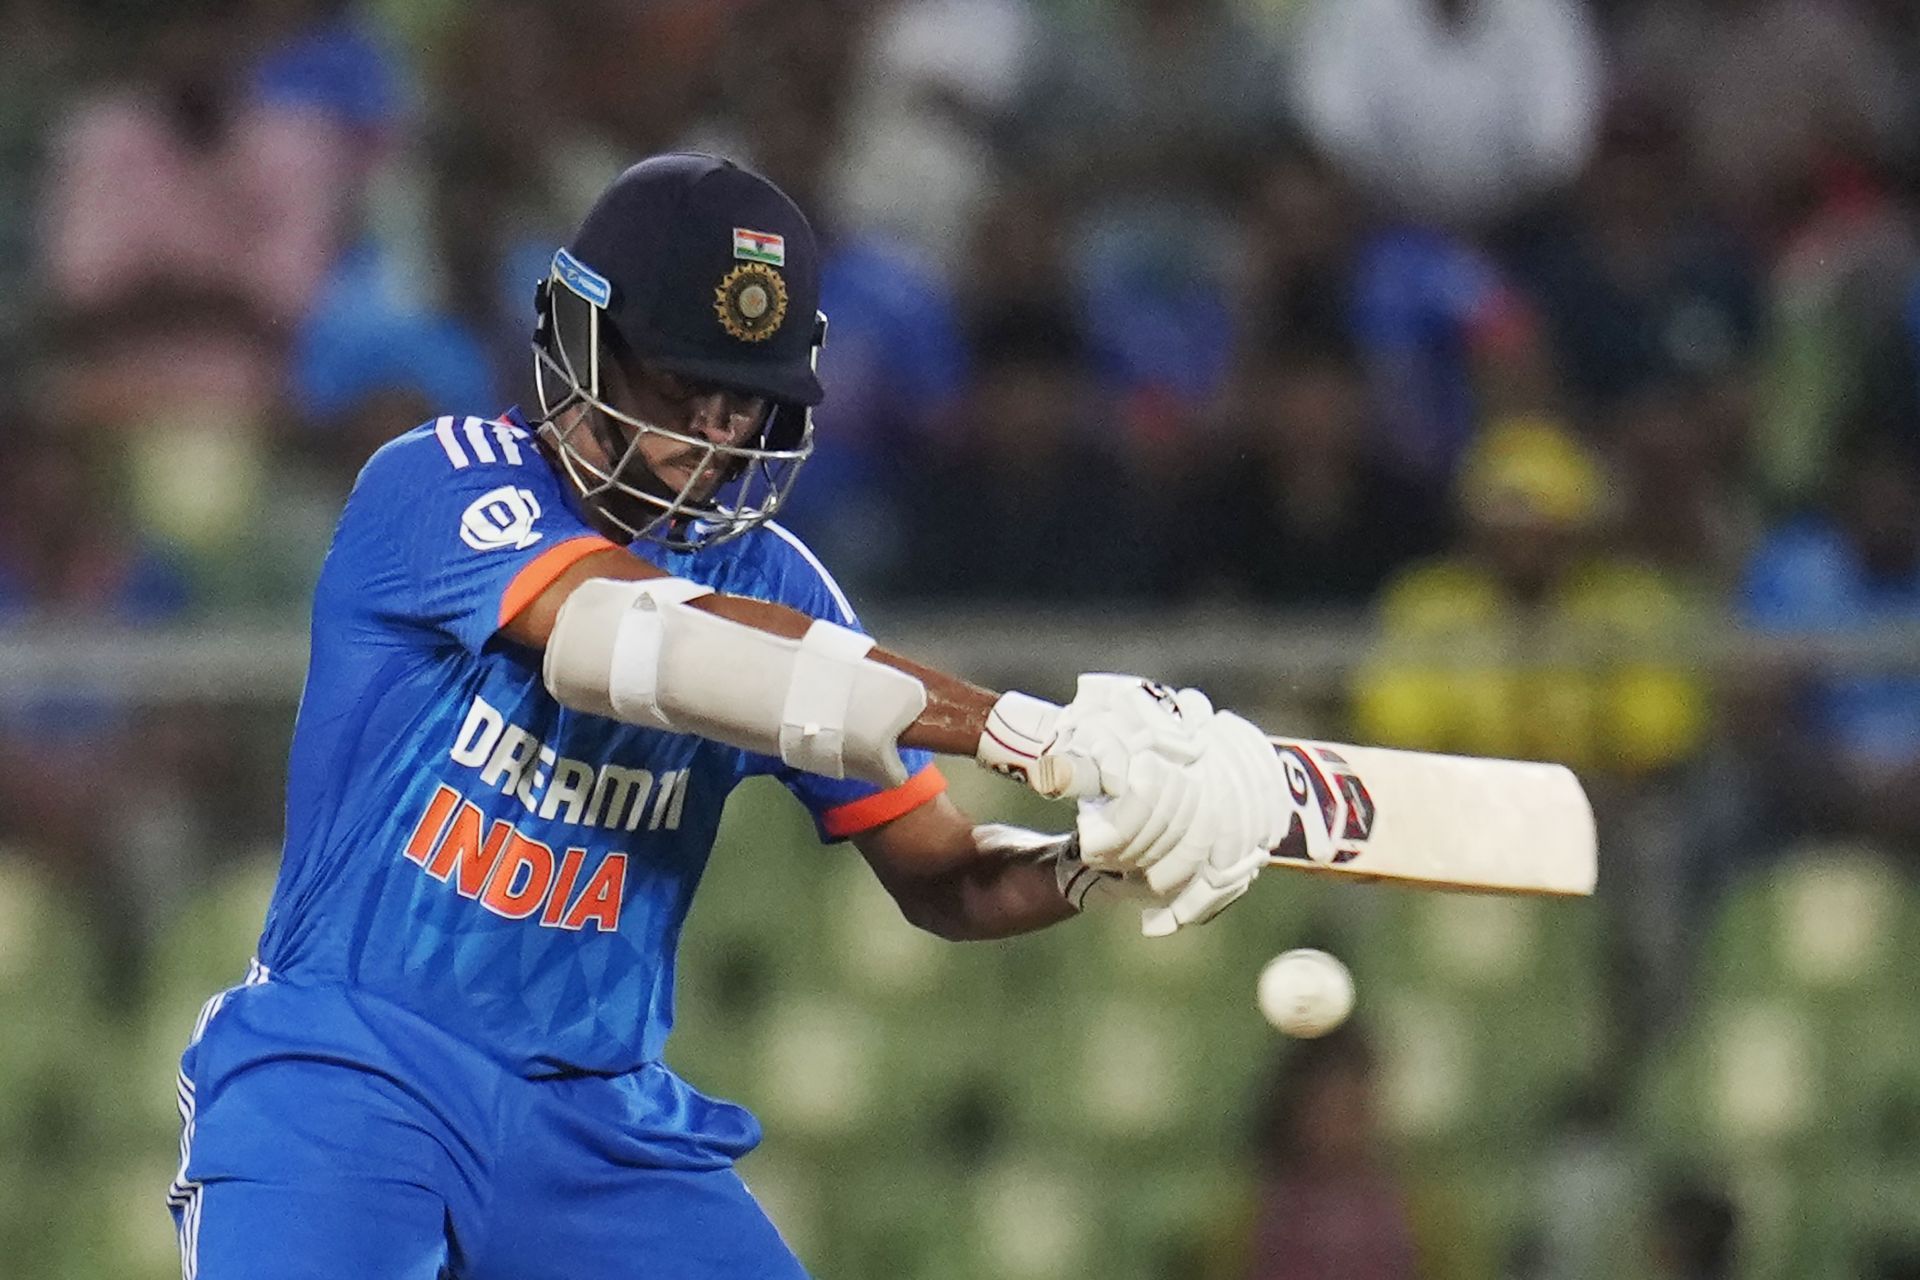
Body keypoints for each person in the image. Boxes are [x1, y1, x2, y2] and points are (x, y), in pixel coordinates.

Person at [165, 153, 1310, 1279]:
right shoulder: (438, 480)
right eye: (681, 384)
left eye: (744, 398)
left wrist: (1106, 857)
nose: (714, 436)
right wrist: (1032, 732)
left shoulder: (783, 585)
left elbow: (947, 878)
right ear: (584, 341)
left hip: (599, 1122)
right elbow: (638, 639)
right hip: (350, 1070)